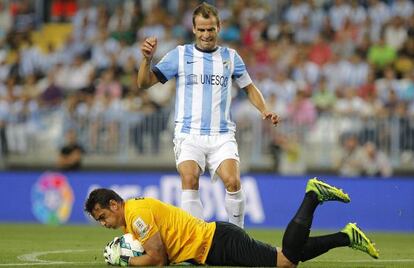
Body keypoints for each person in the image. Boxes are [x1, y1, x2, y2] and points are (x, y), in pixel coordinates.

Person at [136, 2, 279, 228]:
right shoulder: (180, 55)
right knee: (190, 179)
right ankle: (195, 243)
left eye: (210, 29)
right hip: (188, 134)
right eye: (201, 29)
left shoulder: (231, 57)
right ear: (193, 29)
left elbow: (249, 87)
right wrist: (146, 60)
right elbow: (144, 83)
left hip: (221, 134)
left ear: (219, 27)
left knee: (233, 182)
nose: (205, 35)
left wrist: (265, 109)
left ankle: (238, 237)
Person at [84, 178, 379, 267]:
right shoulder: (133, 216)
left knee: (286, 262)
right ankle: (347, 236)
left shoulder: (136, 214)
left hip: (217, 243)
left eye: (102, 217)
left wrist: (125, 261)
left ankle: (313, 196)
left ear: (113, 205)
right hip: (214, 243)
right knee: (285, 258)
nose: (103, 223)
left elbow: (158, 259)